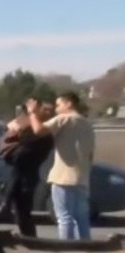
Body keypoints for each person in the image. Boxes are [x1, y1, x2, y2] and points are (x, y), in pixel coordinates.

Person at [26, 91, 95, 240]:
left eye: (58, 104)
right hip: (82, 178)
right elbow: (90, 154)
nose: (56, 109)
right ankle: (86, 246)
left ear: (68, 103)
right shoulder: (87, 124)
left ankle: (66, 247)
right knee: (81, 218)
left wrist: (32, 114)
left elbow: (38, 130)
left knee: (64, 217)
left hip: (63, 177)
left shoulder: (64, 119)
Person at [0, 99, 55, 237]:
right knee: (22, 212)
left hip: (27, 177)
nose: (47, 113)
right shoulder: (29, 124)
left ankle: (7, 205)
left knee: (23, 211)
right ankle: (28, 236)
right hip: (21, 175)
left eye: (50, 111)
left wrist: (30, 115)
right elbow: (13, 130)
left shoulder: (45, 132)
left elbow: (24, 154)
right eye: (44, 109)